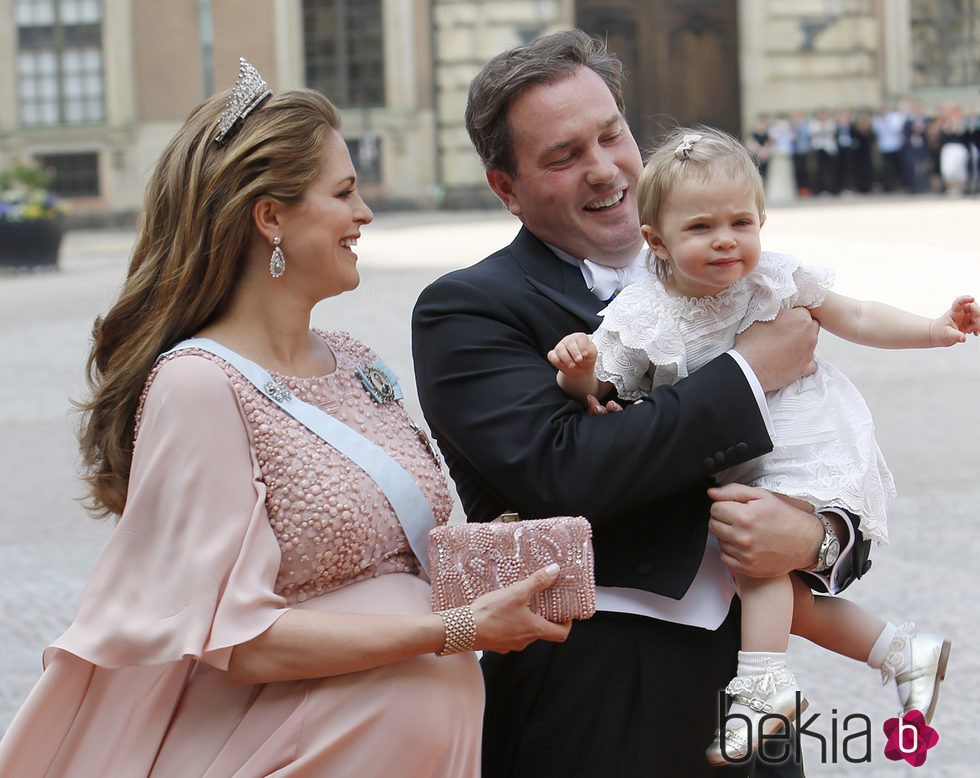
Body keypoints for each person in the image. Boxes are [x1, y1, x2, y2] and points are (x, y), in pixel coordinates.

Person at [0, 59, 570, 777]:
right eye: (343, 192)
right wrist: (452, 630)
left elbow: (406, 553)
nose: (364, 214)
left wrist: (496, 556)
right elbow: (238, 641)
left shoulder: (359, 361)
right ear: (271, 217)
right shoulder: (198, 385)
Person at [411, 29, 873, 777]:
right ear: (506, 189)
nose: (604, 170)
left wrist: (818, 537)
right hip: (592, 692)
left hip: (745, 684)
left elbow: (820, 447)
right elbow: (567, 472)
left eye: (611, 134)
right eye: (564, 157)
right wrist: (748, 373)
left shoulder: (734, 276)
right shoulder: (465, 308)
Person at [549, 125, 978, 765]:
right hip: (743, 452)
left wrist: (931, 329)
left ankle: (763, 685)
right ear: (656, 240)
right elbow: (601, 385)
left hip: (805, 436)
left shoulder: (774, 280)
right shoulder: (643, 313)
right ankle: (898, 649)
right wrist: (576, 369)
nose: (726, 240)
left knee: (758, 567)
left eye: (741, 223)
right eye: (701, 228)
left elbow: (855, 314)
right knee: (767, 585)